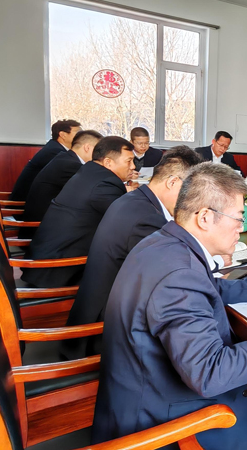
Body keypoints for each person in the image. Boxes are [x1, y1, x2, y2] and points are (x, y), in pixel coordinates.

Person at [92, 164, 247, 450]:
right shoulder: (179, 276)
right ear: (205, 218)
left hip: (145, 389)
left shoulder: (163, 242)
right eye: (238, 218)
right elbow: (209, 372)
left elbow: (211, 288)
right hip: (166, 425)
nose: (242, 227)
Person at [60, 146, 203, 360]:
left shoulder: (137, 200)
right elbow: (175, 277)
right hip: (103, 335)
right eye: (192, 192)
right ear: (173, 182)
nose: (192, 202)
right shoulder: (147, 219)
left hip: (99, 311)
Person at [24, 136, 136, 288]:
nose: (133, 166)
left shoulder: (90, 172)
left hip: (47, 263)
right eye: (129, 161)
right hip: (61, 271)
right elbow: (130, 222)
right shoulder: (105, 184)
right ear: (108, 162)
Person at [20, 130, 103, 238]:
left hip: (43, 223)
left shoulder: (65, 158)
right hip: (41, 231)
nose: (100, 155)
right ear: (87, 147)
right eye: (98, 150)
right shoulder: (71, 165)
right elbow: (95, 189)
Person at [10, 119, 82, 200]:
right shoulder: (54, 151)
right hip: (27, 202)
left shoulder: (54, 147)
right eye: (78, 133)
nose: (82, 136)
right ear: (63, 135)